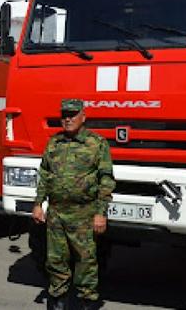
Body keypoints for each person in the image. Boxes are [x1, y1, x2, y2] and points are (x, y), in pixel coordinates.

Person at [33, 98, 115, 310]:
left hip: (84, 215)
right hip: (56, 214)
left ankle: (87, 303)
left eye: (72, 114)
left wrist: (101, 213)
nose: (67, 119)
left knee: (86, 264)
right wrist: (38, 203)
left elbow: (106, 179)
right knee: (55, 262)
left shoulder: (96, 143)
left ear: (83, 116)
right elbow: (45, 174)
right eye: (64, 115)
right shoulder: (54, 142)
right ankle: (58, 302)